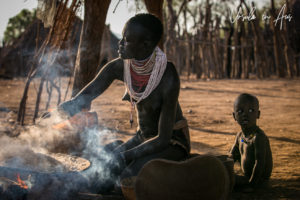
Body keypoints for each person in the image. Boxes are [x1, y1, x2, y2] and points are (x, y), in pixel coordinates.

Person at [58, 13, 190, 192]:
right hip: (142, 138)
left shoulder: (168, 75)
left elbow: (163, 139)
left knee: (124, 181)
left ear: (146, 45)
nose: (120, 43)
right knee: (100, 172)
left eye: (126, 40)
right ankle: (118, 150)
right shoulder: (120, 66)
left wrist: (123, 155)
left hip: (171, 143)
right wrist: (59, 112)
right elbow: (86, 96)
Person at [229, 93, 273, 190]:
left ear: (258, 114)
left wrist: (251, 185)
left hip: (260, 181)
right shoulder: (241, 137)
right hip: (247, 178)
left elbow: (259, 163)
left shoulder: (257, 137)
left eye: (251, 110)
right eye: (240, 111)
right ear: (234, 116)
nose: (245, 114)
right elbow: (231, 156)